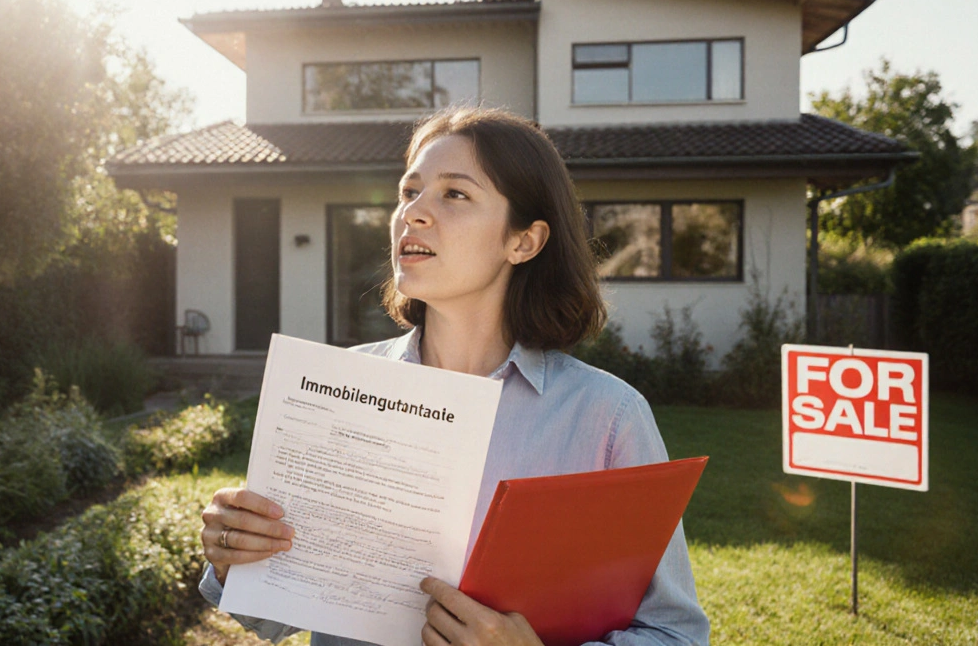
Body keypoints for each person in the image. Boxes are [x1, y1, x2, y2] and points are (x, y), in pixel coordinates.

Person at [198, 106, 710, 646]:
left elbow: (674, 634)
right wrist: (234, 559)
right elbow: (272, 616)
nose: (413, 212)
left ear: (524, 242)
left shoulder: (607, 417)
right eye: (409, 191)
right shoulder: (335, 392)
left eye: (455, 194)